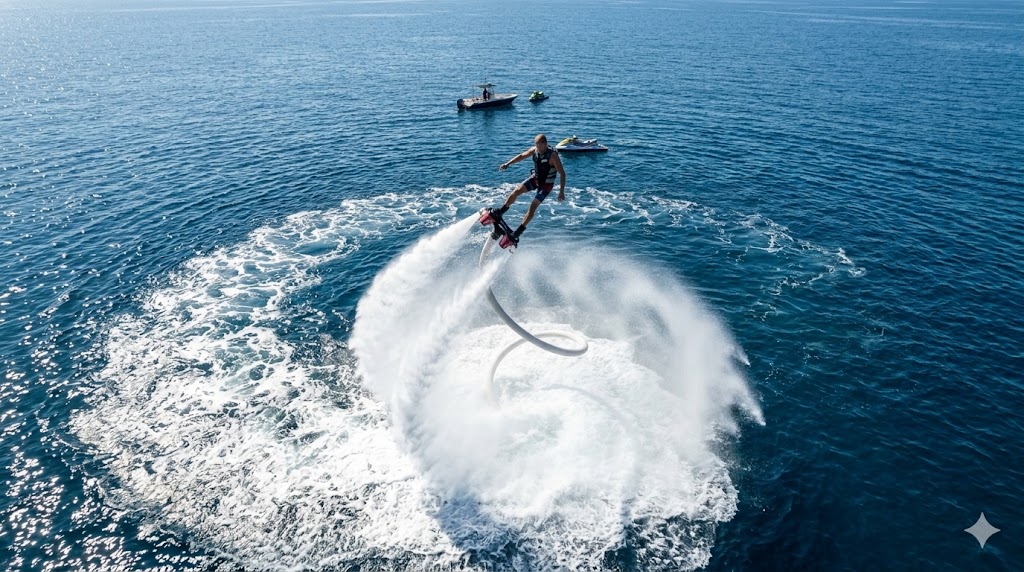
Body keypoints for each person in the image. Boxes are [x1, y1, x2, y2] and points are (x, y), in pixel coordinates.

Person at [493, 133, 566, 240]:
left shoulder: (553, 156)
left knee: (532, 207)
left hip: (546, 185)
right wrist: (508, 163)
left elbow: (562, 174)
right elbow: (522, 156)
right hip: (535, 179)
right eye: (536, 145)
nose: (538, 148)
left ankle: (518, 232)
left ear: (545, 144)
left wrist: (561, 191)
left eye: (540, 146)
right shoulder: (535, 150)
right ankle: (501, 211)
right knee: (517, 191)